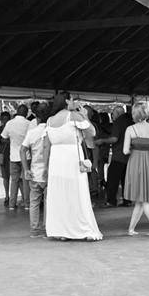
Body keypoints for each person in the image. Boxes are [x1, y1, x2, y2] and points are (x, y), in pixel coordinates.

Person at [44, 94, 102, 241]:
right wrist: (85, 116)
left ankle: (62, 231)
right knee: (77, 193)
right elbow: (92, 132)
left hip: (56, 160)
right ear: (66, 102)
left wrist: (45, 166)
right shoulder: (73, 116)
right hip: (72, 158)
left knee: (60, 194)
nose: (74, 102)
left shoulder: (49, 120)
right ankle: (84, 230)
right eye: (72, 100)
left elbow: (46, 145)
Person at [123, 102, 149, 236]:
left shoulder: (130, 129)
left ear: (135, 113)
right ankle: (131, 229)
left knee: (143, 200)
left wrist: (135, 149)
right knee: (141, 200)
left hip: (135, 162)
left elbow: (125, 151)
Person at [21, 102, 51, 238]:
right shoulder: (52, 131)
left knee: (34, 202)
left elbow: (22, 150)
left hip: (34, 172)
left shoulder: (32, 133)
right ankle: (46, 229)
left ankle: (34, 230)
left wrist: (26, 169)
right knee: (48, 202)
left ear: (36, 118)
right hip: (49, 172)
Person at [2, 104, 32, 210]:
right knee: (26, 181)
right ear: (26, 113)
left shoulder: (10, 123)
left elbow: (4, 137)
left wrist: (12, 141)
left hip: (13, 156)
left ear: (18, 112)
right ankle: (27, 204)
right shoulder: (29, 123)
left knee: (14, 181)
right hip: (26, 156)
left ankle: (11, 205)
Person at [106, 104, 133, 207]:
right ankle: (127, 201)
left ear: (117, 114)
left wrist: (102, 141)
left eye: (112, 114)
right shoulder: (130, 121)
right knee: (126, 179)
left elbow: (114, 139)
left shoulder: (118, 122)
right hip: (129, 155)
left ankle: (111, 201)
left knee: (112, 178)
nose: (112, 117)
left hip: (118, 155)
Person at [0, 111, 11, 206]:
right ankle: (7, 196)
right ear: (1, 120)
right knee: (6, 177)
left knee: (17, 178)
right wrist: (1, 135)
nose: (5, 121)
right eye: (3, 120)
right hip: (4, 156)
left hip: (13, 155)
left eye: (7, 120)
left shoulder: (12, 128)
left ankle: (13, 197)